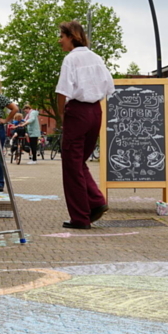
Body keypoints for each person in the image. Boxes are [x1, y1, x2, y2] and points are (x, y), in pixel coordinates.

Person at [55, 20, 114, 229]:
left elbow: (62, 91)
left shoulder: (71, 60)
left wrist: (62, 114)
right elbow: (109, 86)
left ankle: (80, 217)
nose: (59, 40)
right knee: (79, 162)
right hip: (95, 111)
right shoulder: (96, 58)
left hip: (78, 111)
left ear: (71, 36)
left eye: (62, 36)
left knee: (71, 164)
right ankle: (96, 202)